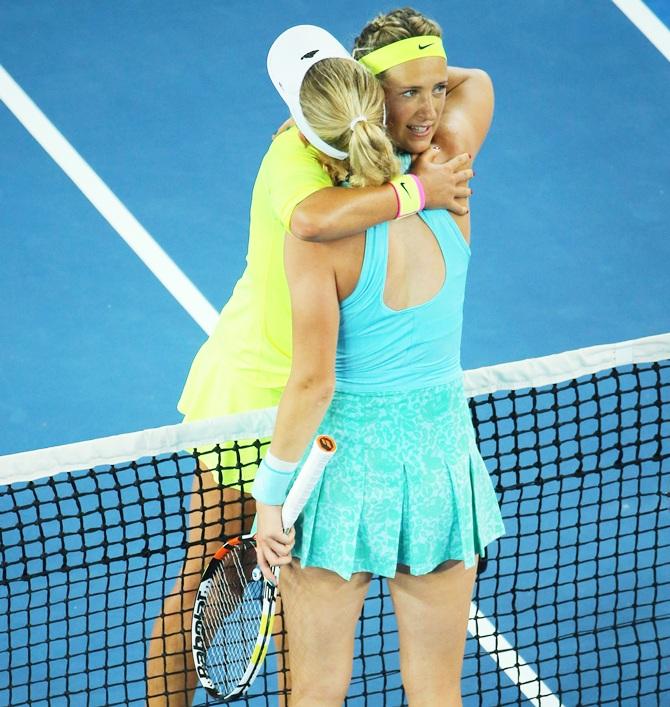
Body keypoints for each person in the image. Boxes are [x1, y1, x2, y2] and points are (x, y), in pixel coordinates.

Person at [146, 9, 483, 706]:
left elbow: (467, 86)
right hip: (259, 396)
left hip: (325, 413)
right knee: (213, 577)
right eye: (407, 92)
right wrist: (417, 188)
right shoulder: (296, 163)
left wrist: (401, 94)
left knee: (302, 623)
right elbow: (311, 220)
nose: (425, 110)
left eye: (432, 91)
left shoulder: (380, 152)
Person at [253, 19, 505, 707]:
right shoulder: (449, 167)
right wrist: (430, 87)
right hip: (440, 466)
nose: (427, 107)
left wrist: (271, 497)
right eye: (411, 94)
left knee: (318, 694)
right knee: (436, 694)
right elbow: (475, 84)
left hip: (344, 478)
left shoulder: (320, 237)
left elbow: (313, 381)